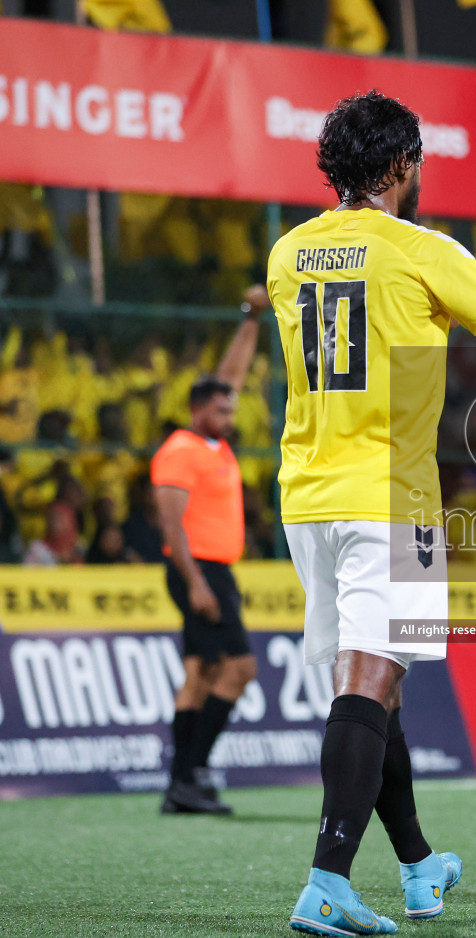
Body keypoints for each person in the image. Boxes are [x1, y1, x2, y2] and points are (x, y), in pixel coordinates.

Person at [269, 91, 476, 938]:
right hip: (391, 496)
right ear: (404, 165)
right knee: (370, 682)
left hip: (307, 495)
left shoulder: (288, 252)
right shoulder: (423, 249)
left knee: (380, 688)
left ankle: (417, 868)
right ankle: (328, 880)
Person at [151, 287, 268, 817]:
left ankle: (181, 783)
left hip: (212, 570)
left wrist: (251, 318)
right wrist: (196, 583)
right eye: (221, 409)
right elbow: (170, 524)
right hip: (199, 570)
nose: (230, 413)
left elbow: (233, 376)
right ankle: (192, 772)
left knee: (199, 672)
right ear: (198, 410)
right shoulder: (180, 451)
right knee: (240, 668)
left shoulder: (213, 444)